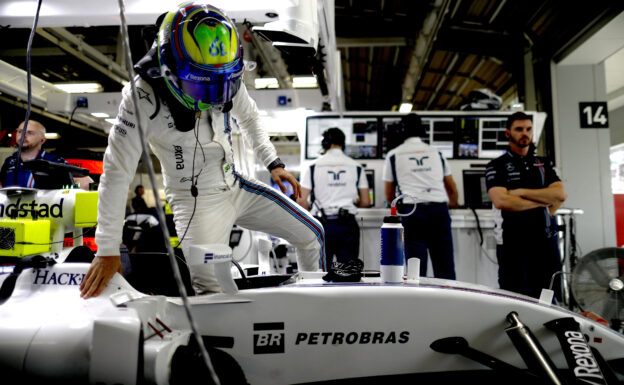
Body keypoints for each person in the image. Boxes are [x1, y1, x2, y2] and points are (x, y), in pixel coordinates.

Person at [80, 3, 324, 298]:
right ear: (170, 68)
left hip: (237, 186)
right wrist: (107, 249)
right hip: (195, 204)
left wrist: (273, 162)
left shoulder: (226, 77)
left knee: (313, 234)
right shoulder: (141, 97)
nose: (213, 97)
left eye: (221, 85)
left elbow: (249, 117)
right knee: (212, 294)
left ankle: (315, 306)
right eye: (202, 86)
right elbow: (116, 172)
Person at [485, 111, 567, 299]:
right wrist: (543, 202)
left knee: (548, 301)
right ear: (508, 134)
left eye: (528, 129)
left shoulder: (543, 164)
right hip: (513, 244)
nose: (525, 133)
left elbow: (560, 194)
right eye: (519, 129)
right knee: (516, 300)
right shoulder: (496, 165)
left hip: (545, 243)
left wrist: (520, 193)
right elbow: (501, 200)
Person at [383, 113, 458, 279]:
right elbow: (452, 188)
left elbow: (389, 194)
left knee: (416, 269)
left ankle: (417, 302)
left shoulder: (394, 155)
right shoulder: (437, 153)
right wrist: (453, 204)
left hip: (412, 211)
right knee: (444, 265)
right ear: (422, 130)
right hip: (439, 210)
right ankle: (449, 301)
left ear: (402, 131)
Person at [298, 127, 370, 269]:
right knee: (348, 272)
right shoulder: (356, 166)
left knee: (321, 272)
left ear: (325, 144)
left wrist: (311, 208)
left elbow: (301, 201)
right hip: (347, 225)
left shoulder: (312, 167)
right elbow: (366, 201)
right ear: (343, 144)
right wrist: (353, 202)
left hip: (321, 225)